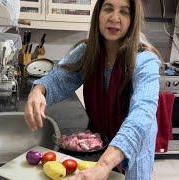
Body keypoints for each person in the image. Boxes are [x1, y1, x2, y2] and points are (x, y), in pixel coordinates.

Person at [25, 0, 162, 179]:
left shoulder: (145, 60)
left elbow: (142, 114)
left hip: (133, 149)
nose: (114, 18)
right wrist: (38, 91)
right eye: (108, 9)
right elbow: (59, 78)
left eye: (124, 12)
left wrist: (105, 164)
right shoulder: (87, 51)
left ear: (133, 20)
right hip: (99, 144)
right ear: (98, 14)